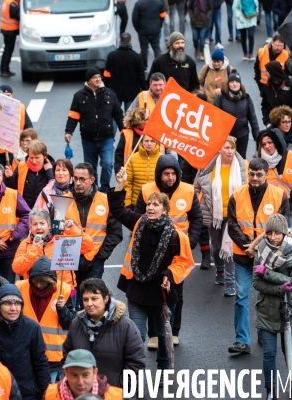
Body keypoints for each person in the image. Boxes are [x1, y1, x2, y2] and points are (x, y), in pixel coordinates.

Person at [108, 170, 195, 378]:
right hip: (137, 289)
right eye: (149, 204)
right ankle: (135, 371)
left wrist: (168, 274)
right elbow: (118, 210)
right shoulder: (139, 223)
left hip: (162, 293)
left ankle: (164, 368)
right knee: (135, 334)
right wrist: (120, 185)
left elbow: (185, 262)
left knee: (164, 336)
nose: (150, 207)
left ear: (165, 210)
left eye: (156, 205)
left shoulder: (176, 235)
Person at [133, 155, 203, 347]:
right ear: (159, 175)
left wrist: (191, 241)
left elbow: (197, 218)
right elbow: (138, 218)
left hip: (177, 250)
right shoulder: (147, 190)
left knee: (176, 293)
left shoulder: (188, 190)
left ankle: (173, 331)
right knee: (150, 292)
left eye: (173, 173)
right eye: (166, 174)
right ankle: (154, 334)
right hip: (150, 249)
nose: (170, 177)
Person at [227, 157, 289, 355]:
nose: (254, 177)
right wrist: (247, 245)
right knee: (241, 296)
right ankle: (242, 340)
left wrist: (259, 247)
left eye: (258, 174)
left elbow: (281, 228)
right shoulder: (236, 195)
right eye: (251, 174)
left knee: (267, 297)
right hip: (243, 256)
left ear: (267, 175)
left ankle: (265, 331)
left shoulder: (279, 195)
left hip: (268, 257)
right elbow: (232, 224)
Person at [251, 214, 292, 399]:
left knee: (289, 350)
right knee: (269, 352)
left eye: (277, 233)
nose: (273, 237)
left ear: (285, 233)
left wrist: (268, 272)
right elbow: (256, 283)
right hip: (266, 309)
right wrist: (280, 287)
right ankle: (271, 390)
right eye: (270, 233)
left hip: (291, 308)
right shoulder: (260, 250)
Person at [62, 279, 144, 388]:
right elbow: (67, 357)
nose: (89, 304)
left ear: (106, 298)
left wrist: (119, 391)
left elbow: (136, 364)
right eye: (85, 299)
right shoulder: (76, 324)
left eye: (94, 299)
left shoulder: (126, 326)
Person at [0, 284, 51, 400]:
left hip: (27, 393)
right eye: (7, 303)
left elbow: (40, 362)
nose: (13, 308)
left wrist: (46, 392)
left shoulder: (32, 327)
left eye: (17, 304)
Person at [194, 137, 247, 295]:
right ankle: (220, 270)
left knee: (229, 247)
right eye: (226, 148)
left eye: (232, 148)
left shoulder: (242, 166)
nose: (230, 151)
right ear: (219, 149)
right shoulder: (207, 166)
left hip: (234, 215)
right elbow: (196, 188)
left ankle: (230, 282)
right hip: (213, 215)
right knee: (217, 247)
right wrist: (195, 205)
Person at [16, 256, 76, 382]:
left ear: (51, 280)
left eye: (43, 281)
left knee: (48, 390)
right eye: (36, 280)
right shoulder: (20, 288)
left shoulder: (63, 290)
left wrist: (63, 309)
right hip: (26, 351)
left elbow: (70, 323)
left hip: (52, 356)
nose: (38, 284)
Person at [65, 69, 124, 193]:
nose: (98, 79)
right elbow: (74, 115)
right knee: (91, 168)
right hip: (88, 139)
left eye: (99, 77)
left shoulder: (110, 94)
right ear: (88, 80)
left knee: (107, 164)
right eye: (94, 77)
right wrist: (69, 132)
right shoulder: (79, 96)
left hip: (106, 138)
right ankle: (94, 190)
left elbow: (118, 114)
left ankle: (104, 188)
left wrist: (123, 130)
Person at [67, 163, 123, 288]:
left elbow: (116, 233)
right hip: (69, 261)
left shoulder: (105, 200)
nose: (77, 183)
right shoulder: (64, 200)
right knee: (70, 300)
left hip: (94, 261)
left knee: (91, 301)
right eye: (75, 178)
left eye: (82, 179)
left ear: (92, 180)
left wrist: (100, 257)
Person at [13, 208, 94, 286]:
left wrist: (71, 230)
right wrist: (34, 249)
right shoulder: (25, 243)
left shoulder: (62, 240)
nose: (38, 227)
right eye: (35, 224)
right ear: (30, 228)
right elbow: (17, 269)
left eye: (42, 223)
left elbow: (88, 246)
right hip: (35, 290)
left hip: (63, 290)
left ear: (49, 226)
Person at [256, 128, 292, 230]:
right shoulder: (259, 162)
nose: (267, 146)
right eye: (264, 144)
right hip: (268, 207)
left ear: (276, 142)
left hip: (289, 206)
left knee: (289, 239)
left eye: (270, 142)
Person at [0, 85, 33, 165]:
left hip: (16, 149)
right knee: (0, 174)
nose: (6, 99)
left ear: (12, 95)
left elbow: (29, 129)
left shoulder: (20, 108)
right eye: (3, 97)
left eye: (8, 96)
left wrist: (26, 145)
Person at [213, 70, 260, 158]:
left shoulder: (246, 98)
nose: (235, 84)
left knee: (241, 159)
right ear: (228, 84)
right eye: (232, 82)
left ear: (240, 84)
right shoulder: (221, 98)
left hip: (242, 135)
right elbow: (215, 117)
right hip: (226, 136)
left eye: (237, 82)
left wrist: (257, 138)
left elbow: (253, 118)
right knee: (227, 158)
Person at [46, 350, 123, 400]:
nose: (80, 382)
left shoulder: (116, 396)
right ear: (66, 373)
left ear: (95, 373)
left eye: (85, 375)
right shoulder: (50, 394)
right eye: (74, 375)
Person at [103, 33, 147, 111]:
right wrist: (145, 91)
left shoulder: (112, 56)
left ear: (120, 41)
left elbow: (107, 75)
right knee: (130, 117)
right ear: (131, 41)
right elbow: (141, 77)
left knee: (115, 115)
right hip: (132, 92)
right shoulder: (137, 57)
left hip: (115, 91)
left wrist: (105, 89)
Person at [5, 139, 55, 209]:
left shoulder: (52, 169)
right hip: (23, 212)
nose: (34, 161)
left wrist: (49, 171)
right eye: (31, 157)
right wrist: (9, 178)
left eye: (37, 158)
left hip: (42, 213)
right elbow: (12, 189)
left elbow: (55, 189)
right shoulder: (21, 165)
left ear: (45, 156)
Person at [261, 61, 292, 130]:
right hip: (273, 127)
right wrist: (267, 122)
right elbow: (264, 106)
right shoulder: (267, 88)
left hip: (290, 127)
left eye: (267, 71)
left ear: (273, 72)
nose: (265, 73)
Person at [124, 136, 161, 208]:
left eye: (152, 141)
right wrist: (127, 203)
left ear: (156, 142)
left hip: (157, 203)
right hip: (137, 203)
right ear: (141, 142)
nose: (149, 144)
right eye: (146, 141)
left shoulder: (162, 158)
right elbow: (127, 183)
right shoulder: (133, 158)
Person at [132, 0, 166, 70]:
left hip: (143, 30)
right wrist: (159, 25)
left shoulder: (139, 3)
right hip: (155, 29)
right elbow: (162, 15)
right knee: (156, 48)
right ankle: (159, 66)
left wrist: (138, 29)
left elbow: (135, 18)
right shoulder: (159, 3)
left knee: (144, 49)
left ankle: (144, 67)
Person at [114, 108, 148, 175]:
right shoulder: (126, 134)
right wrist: (118, 172)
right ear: (140, 121)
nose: (149, 121)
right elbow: (119, 155)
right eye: (147, 119)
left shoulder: (150, 134)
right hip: (129, 174)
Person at [0, 0, 20, 77]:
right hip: (10, 30)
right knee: (8, 50)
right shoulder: (13, 4)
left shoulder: (7, 2)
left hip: (5, 28)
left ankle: (3, 69)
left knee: (6, 50)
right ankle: (5, 70)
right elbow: (16, 15)